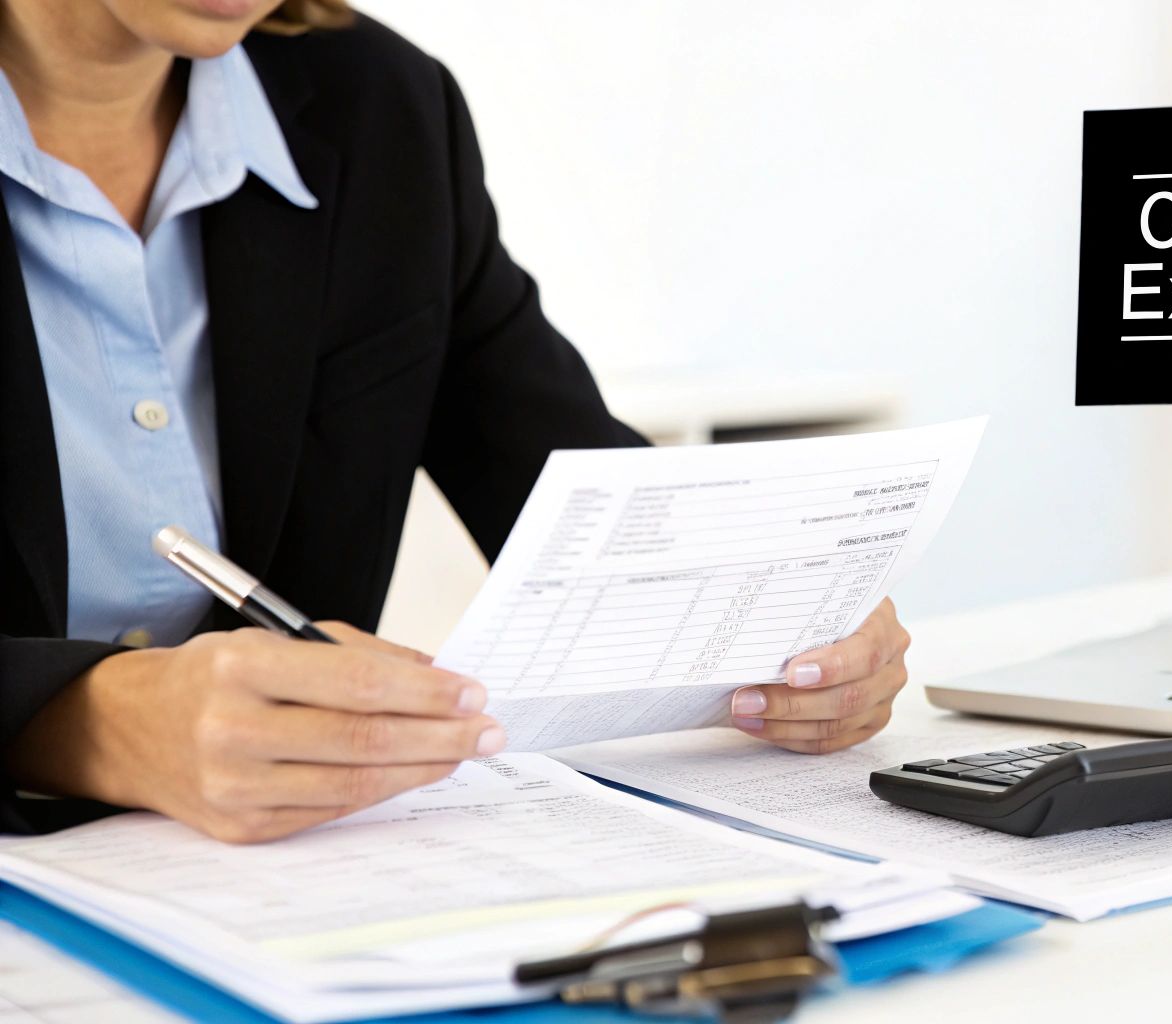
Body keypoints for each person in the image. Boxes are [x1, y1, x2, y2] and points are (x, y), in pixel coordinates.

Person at [0, 0, 910, 842]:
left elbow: (566, 476)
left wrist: (787, 623)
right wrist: (76, 721)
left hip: (295, 875)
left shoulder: (379, 105)